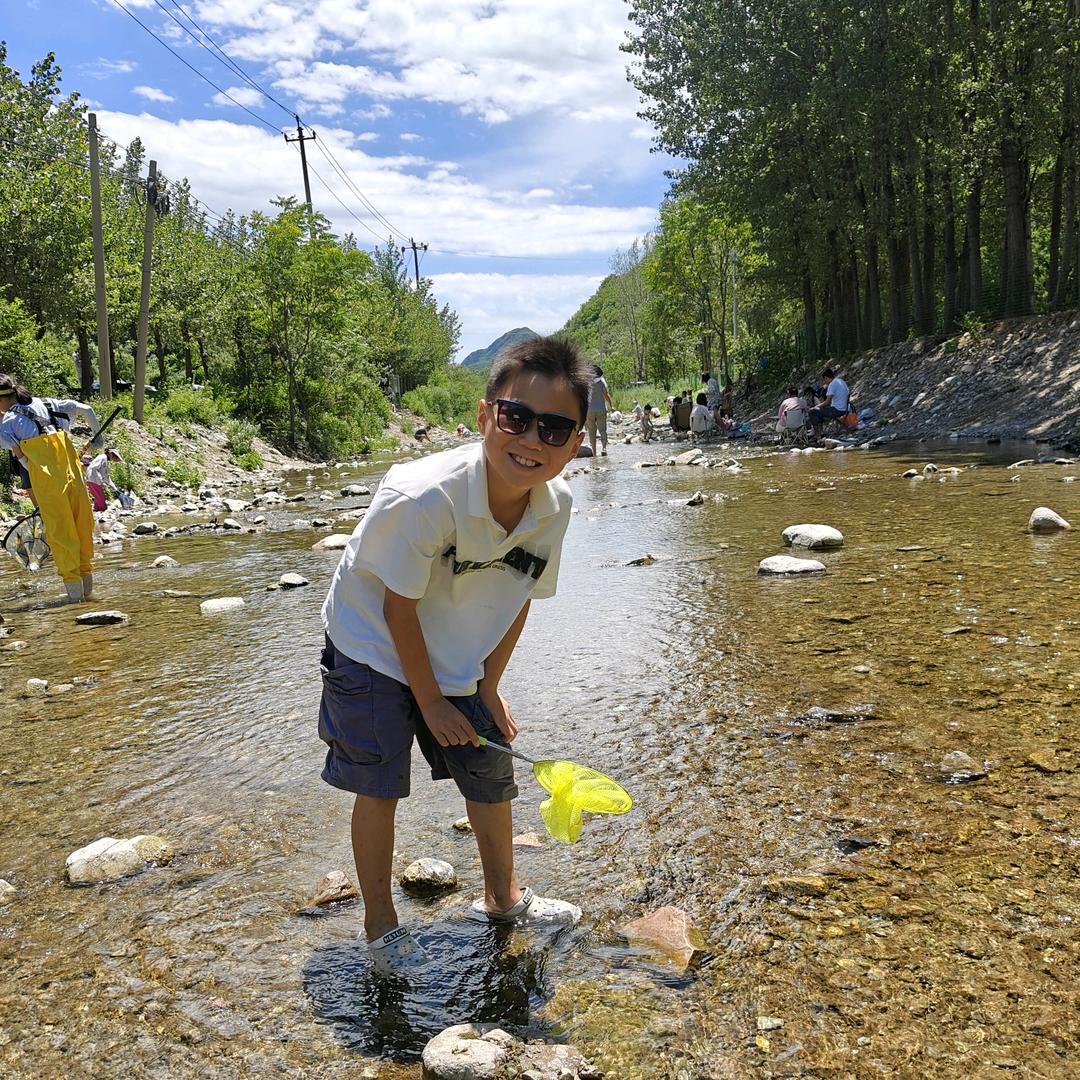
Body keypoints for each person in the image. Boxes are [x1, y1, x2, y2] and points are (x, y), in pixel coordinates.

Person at [318, 336, 590, 977]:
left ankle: (503, 899)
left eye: (555, 429)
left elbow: (518, 598)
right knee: (378, 782)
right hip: (370, 644)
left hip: (454, 649)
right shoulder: (425, 495)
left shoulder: (555, 508)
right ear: (484, 415)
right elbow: (396, 610)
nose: (531, 441)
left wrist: (486, 687)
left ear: (577, 441)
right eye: (516, 418)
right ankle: (381, 926)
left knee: (491, 772)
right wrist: (432, 700)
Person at [0, 375, 95, 602]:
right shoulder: (46, 404)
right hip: (73, 475)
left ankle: (75, 602)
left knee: (61, 535)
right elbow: (87, 408)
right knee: (82, 527)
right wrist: (98, 441)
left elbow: (22, 458)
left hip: (48, 481)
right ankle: (90, 596)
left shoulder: (7, 423)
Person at [808, 367, 850, 438]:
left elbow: (827, 402)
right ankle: (821, 432)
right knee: (819, 411)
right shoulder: (841, 381)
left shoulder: (832, 385)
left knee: (812, 412)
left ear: (826, 378)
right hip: (845, 409)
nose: (824, 382)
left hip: (837, 410)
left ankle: (817, 434)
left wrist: (816, 407)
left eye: (823, 379)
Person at [585, 365, 613, 457]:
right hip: (601, 409)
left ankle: (594, 452)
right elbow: (606, 395)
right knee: (603, 430)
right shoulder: (602, 382)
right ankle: (604, 449)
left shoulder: (586, 383)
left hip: (590, 410)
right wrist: (611, 405)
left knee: (592, 431)